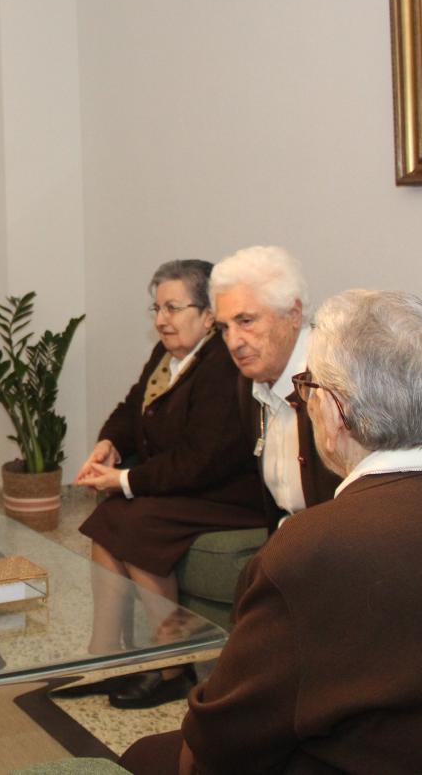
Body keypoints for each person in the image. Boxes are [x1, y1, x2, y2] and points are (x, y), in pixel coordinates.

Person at [120, 290, 422, 774]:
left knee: (142, 756)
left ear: (335, 412)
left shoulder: (313, 547)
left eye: (307, 386)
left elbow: (222, 739)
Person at [72, 260, 264, 709]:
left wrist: (125, 479)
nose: (161, 320)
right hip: (186, 485)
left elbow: (202, 460)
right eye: (156, 309)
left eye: (173, 308)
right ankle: (106, 657)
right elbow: (131, 408)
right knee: (112, 515)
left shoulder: (222, 365)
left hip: (228, 492)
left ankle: (172, 669)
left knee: (137, 522)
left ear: (209, 314)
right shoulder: (169, 355)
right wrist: (109, 443)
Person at [211, 246, 337, 530]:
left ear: (293, 315)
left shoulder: (334, 380)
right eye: (224, 328)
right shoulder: (250, 381)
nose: (233, 342)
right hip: (289, 538)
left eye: (246, 321)